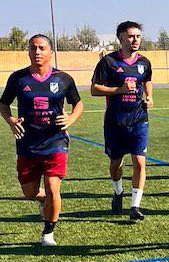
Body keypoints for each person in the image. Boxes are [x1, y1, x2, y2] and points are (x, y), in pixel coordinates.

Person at [1, 34, 84, 246]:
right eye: (33, 48)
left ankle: (48, 233)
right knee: (29, 193)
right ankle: (44, 202)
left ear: (50, 52)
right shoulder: (18, 78)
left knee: (53, 188)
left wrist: (71, 118)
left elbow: (78, 104)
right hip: (27, 142)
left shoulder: (63, 79)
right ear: (28, 51)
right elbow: (3, 104)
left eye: (41, 48)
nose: (37, 52)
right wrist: (11, 120)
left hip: (55, 141)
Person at [91, 21, 153, 221]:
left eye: (138, 36)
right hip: (115, 121)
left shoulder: (144, 62)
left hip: (139, 119)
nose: (135, 40)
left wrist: (149, 97)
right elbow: (94, 89)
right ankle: (118, 191)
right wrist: (120, 90)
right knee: (116, 163)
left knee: (140, 162)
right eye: (131, 36)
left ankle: (135, 206)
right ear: (120, 38)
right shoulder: (108, 62)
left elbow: (147, 80)